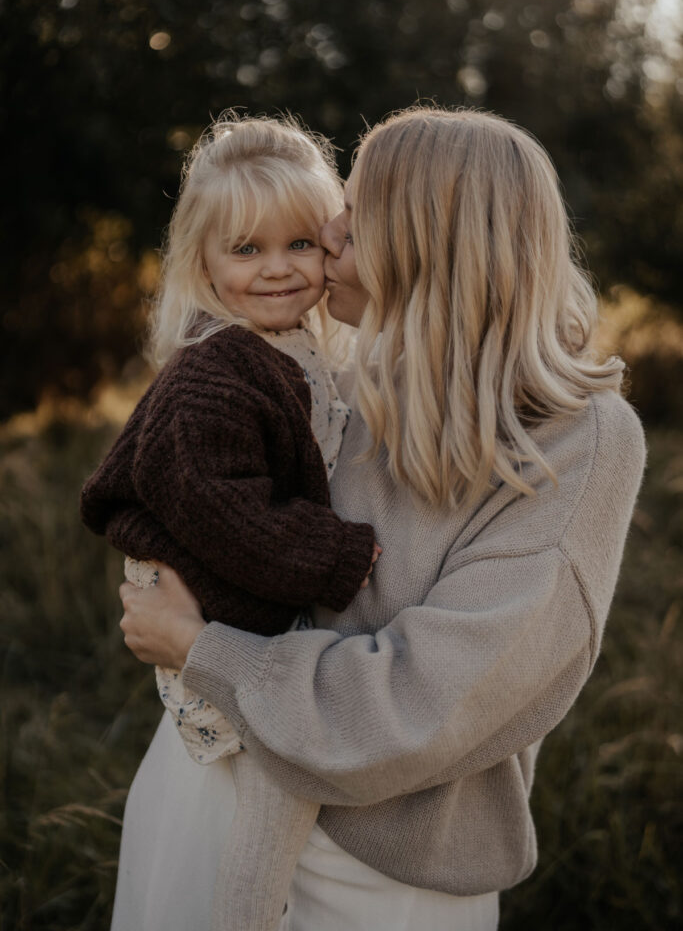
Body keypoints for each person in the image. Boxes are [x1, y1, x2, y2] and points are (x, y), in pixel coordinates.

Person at [116, 106, 646, 931]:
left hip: (381, 862)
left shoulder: (578, 440)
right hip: (207, 792)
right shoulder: (340, 376)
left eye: (354, 214)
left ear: (426, 240)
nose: (326, 230)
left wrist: (198, 648)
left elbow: (423, 703)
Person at [80, 113, 380, 931]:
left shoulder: (296, 351)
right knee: (231, 837)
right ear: (205, 265)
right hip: (216, 636)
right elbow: (225, 511)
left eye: (300, 244)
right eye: (246, 251)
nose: (277, 270)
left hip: (247, 632)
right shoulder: (216, 369)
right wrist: (343, 556)